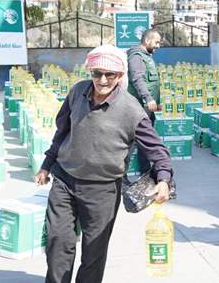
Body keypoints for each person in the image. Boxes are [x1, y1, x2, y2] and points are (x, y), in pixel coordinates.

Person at [36, 45, 173, 283]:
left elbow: (157, 150)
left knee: (94, 252)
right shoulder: (77, 92)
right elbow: (61, 131)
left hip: (103, 190)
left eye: (110, 74)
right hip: (65, 181)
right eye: (97, 73)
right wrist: (47, 164)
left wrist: (163, 179)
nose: (102, 80)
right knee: (58, 241)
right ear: (90, 71)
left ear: (120, 76)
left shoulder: (131, 109)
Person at [127, 29, 162, 174]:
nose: (158, 46)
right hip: (139, 108)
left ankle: (145, 172)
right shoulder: (137, 57)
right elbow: (137, 79)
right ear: (147, 40)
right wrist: (148, 98)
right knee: (132, 143)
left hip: (147, 109)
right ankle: (121, 177)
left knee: (144, 142)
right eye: (157, 42)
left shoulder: (146, 56)